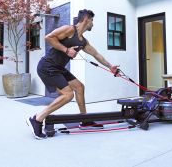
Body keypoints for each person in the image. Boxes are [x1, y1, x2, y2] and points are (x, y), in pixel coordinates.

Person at [26, 9, 119, 139]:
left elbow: (96, 54)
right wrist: (66, 49)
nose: (93, 24)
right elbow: (48, 37)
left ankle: (84, 120)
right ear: (86, 19)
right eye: (92, 20)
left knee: (79, 87)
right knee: (68, 94)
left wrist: (111, 67)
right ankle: (37, 119)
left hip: (58, 68)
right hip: (48, 66)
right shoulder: (70, 30)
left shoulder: (83, 42)